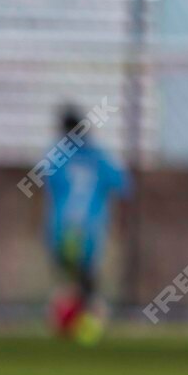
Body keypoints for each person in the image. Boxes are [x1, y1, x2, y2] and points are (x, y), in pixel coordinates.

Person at [41, 106, 127, 344]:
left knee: (68, 277)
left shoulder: (56, 156)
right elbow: (123, 186)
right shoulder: (99, 156)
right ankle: (86, 324)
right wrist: (120, 223)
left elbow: (47, 190)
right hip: (90, 228)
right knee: (86, 279)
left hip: (61, 227)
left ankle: (67, 321)